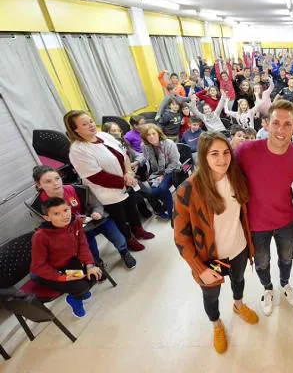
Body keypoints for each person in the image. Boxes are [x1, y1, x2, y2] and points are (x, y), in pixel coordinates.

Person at [173, 133, 258, 354]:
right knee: (211, 294)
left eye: (226, 152)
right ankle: (216, 323)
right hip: (211, 257)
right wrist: (199, 269)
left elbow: (242, 214)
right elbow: (181, 238)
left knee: (238, 280)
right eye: (214, 154)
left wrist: (250, 246)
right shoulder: (188, 190)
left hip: (238, 249)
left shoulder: (236, 177)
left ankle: (238, 306)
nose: (222, 159)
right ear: (203, 157)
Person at [235, 100, 293, 316]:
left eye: (287, 124)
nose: (281, 130)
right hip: (256, 225)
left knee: (287, 258)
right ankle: (267, 288)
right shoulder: (245, 151)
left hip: (286, 220)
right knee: (262, 262)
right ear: (266, 124)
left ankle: (284, 283)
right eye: (276, 123)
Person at [65, 111, 154, 252]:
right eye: (84, 124)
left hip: (126, 182)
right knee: (121, 218)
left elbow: (123, 155)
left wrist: (129, 173)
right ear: (75, 129)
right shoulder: (77, 150)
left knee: (132, 210)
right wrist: (124, 181)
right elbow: (97, 177)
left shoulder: (104, 136)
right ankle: (128, 239)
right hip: (108, 193)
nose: (91, 125)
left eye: (91, 121)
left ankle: (138, 230)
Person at [32, 165, 137, 269]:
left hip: (93, 220)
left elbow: (96, 205)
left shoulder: (77, 189)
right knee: (90, 248)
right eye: (48, 181)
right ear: (39, 185)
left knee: (117, 236)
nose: (55, 183)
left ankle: (124, 253)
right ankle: (97, 264)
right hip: (73, 230)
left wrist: (97, 213)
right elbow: (46, 227)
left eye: (57, 178)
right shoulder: (37, 206)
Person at [30, 197, 102, 318]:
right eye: (57, 214)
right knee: (82, 286)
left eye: (65, 210)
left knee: (94, 275)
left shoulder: (76, 222)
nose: (64, 216)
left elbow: (82, 245)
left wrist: (89, 266)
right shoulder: (40, 236)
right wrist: (62, 278)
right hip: (46, 274)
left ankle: (80, 292)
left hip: (67, 264)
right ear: (47, 218)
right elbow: (38, 266)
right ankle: (74, 298)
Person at [140, 124, 181, 220]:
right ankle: (167, 209)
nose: (151, 137)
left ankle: (171, 214)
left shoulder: (169, 143)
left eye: (153, 133)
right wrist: (137, 163)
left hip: (172, 169)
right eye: (148, 135)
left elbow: (174, 162)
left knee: (161, 189)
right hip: (157, 171)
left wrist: (163, 174)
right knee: (152, 192)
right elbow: (145, 157)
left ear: (158, 133)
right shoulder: (144, 146)